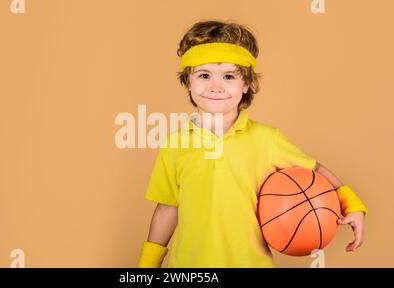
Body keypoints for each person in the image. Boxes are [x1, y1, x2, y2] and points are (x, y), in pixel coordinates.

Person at [137, 20, 367, 268]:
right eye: (204, 75)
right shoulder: (175, 144)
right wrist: (147, 265)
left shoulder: (267, 139)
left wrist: (352, 204)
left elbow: (316, 170)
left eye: (228, 76)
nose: (216, 87)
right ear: (188, 82)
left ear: (245, 84)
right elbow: (167, 207)